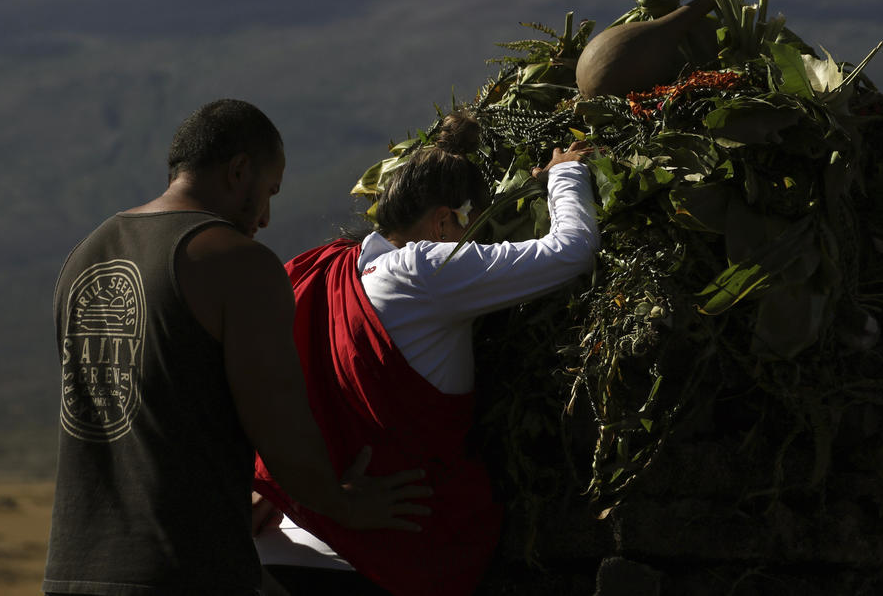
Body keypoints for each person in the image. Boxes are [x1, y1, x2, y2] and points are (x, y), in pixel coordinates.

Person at [44, 99, 431, 596]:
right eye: (268, 191)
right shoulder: (237, 263)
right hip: (183, 574)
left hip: (71, 570)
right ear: (239, 170)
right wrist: (347, 504)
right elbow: (279, 425)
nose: (266, 217)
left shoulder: (86, 254)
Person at [253, 113, 600, 596]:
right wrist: (566, 173)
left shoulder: (324, 268)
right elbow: (570, 250)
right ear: (441, 221)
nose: (470, 243)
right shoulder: (428, 267)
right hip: (377, 561)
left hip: (278, 549)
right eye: (467, 227)